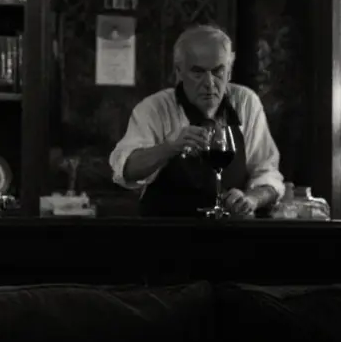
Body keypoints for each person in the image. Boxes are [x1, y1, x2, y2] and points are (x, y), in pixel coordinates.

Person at [108, 24, 285, 217]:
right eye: (198, 72)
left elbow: (267, 172)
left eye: (218, 71)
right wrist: (168, 147)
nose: (209, 83)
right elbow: (126, 170)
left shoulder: (246, 103)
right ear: (179, 71)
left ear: (230, 70)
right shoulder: (155, 108)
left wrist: (251, 199)